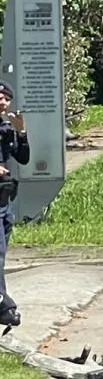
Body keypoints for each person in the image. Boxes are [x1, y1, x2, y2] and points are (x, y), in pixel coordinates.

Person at [0, 82, 30, 329]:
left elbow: (23, 157)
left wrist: (21, 132)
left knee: (2, 253)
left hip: (4, 201)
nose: (2, 101)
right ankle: (4, 306)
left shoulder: (7, 128)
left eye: (5, 98)